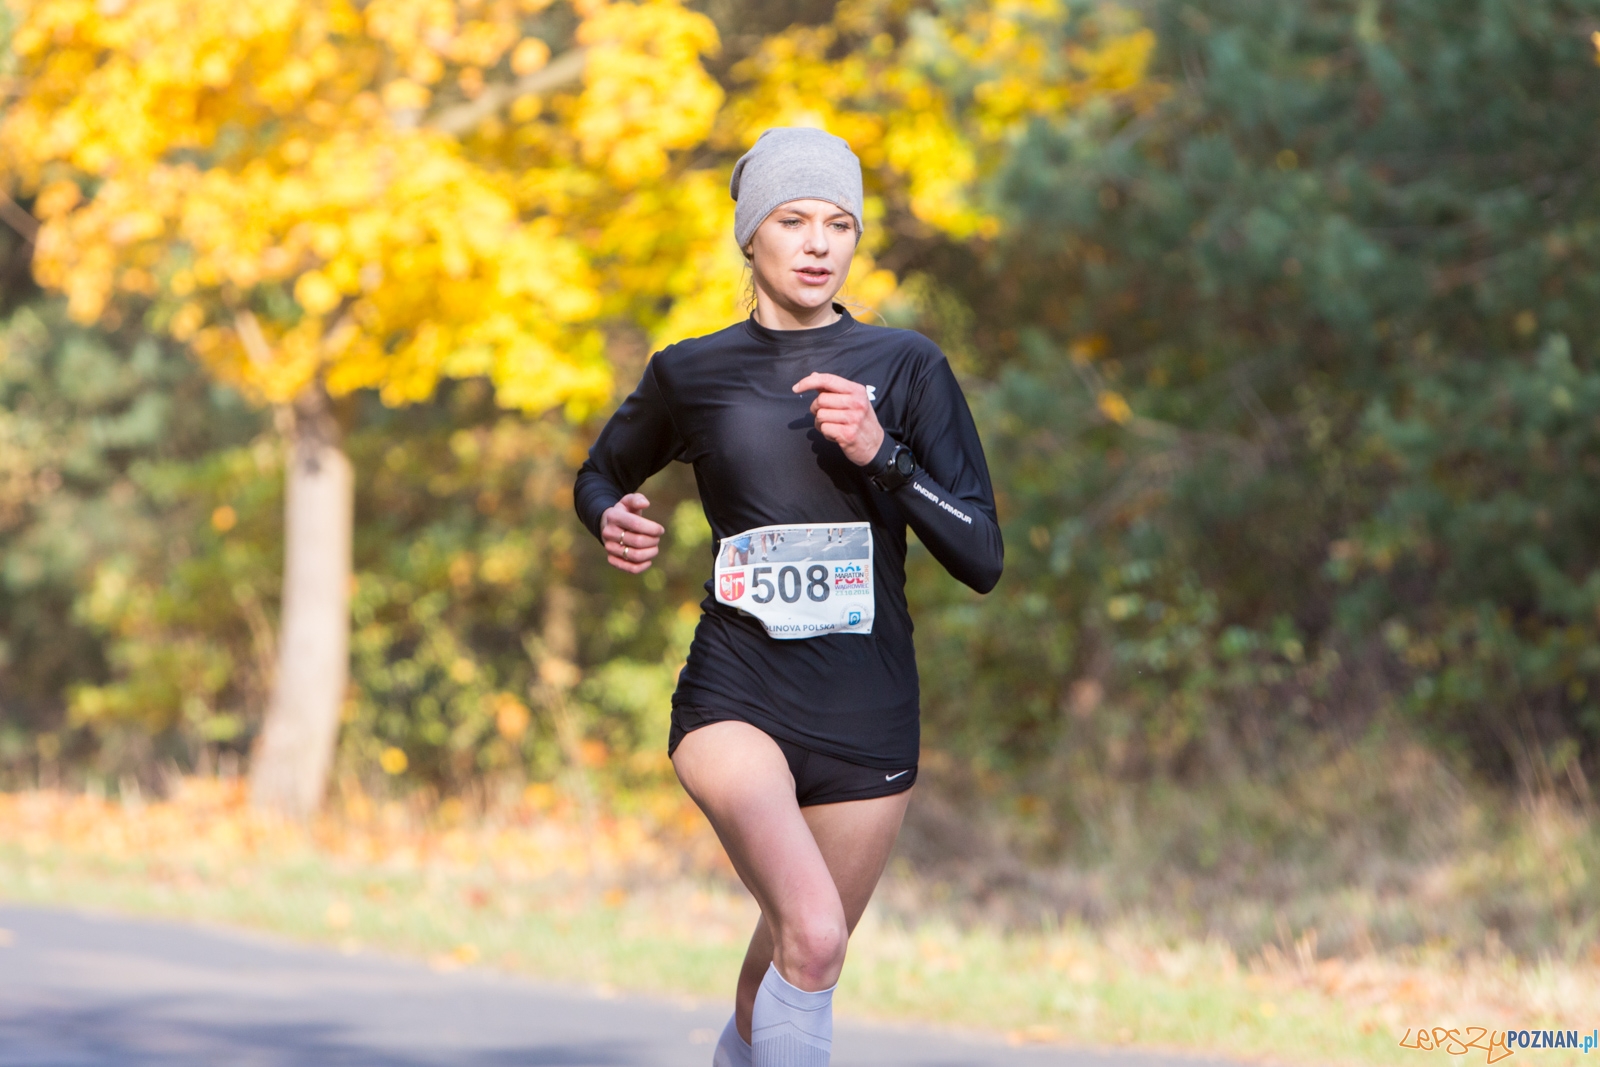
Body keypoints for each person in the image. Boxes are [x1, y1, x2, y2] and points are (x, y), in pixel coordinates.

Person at [573, 127, 1003, 1067]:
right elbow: (599, 473)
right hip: (736, 696)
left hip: (867, 711)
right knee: (813, 931)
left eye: (840, 224)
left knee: (785, 962)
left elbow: (981, 553)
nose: (818, 244)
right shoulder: (692, 371)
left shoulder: (907, 365)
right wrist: (611, 513)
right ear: (751, 235)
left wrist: (883, 455)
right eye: (794, 220)